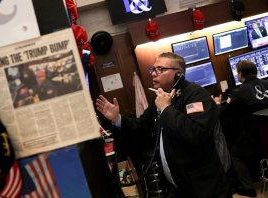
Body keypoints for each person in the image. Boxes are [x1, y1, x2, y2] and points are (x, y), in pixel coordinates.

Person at [96, 52, 230, 197]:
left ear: (178, 74)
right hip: (178, 185)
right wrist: (117, 118)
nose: (154, 74)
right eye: (153, 69)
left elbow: (195, 132)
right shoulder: (162, 97)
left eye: (160, 69)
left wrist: (166, 109)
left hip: (205, 185)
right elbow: (141, 125)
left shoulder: (196, 95)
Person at [214, 60, 268, 197]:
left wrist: (216, 103)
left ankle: (248, 187)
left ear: (239, 74)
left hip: (255, 139)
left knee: (235, 154)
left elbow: (222, 113)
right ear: (256, 71)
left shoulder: (237, 93)